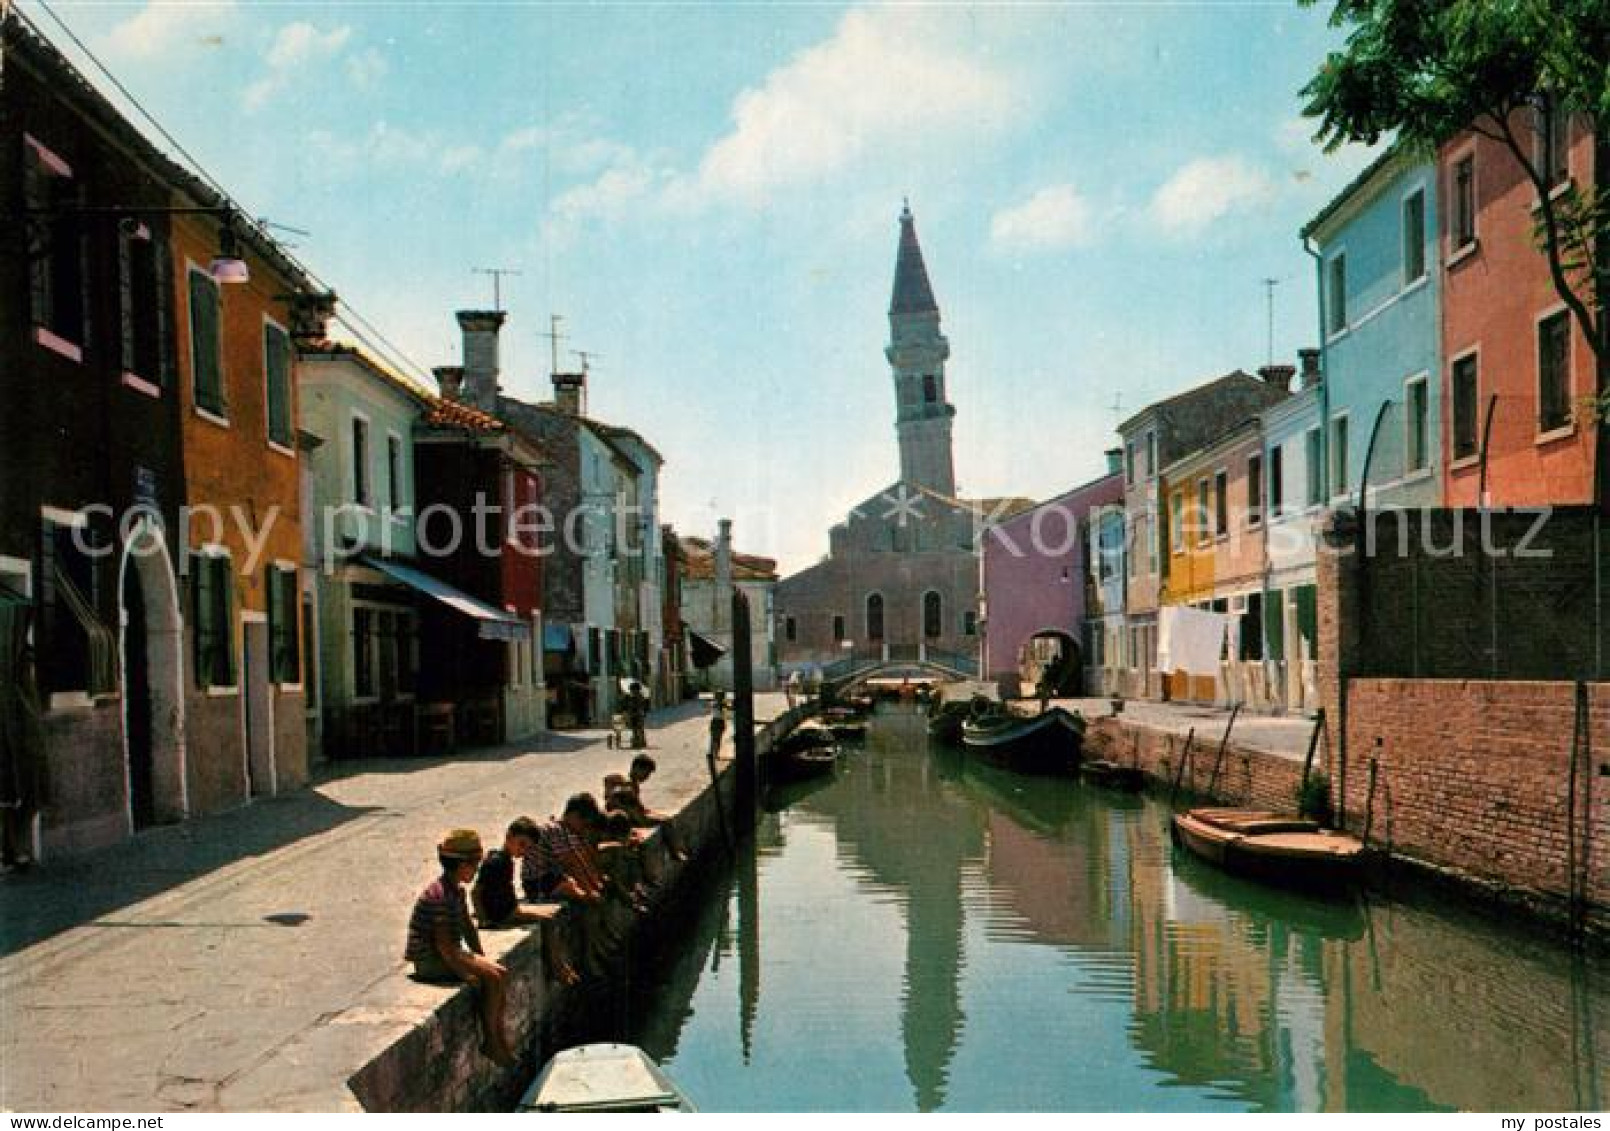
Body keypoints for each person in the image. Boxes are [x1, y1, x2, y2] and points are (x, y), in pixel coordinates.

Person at [404, 829, 514, 1065]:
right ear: (462, 865)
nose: (475, 871)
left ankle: (498, 1036)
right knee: (492, 979)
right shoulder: (440, 895)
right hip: (431, 959)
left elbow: (467, 928)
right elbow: (444, 946)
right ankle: (491, 1041)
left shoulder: (456, 891)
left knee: (499, 973)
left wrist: (482, 957)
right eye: (474, 866)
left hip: (449, 953)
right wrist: (465, 973)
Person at [473, 816, 577, 985]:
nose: (523, 851)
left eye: (527, 848)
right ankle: (558, 966)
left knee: (552, 912)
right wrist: (483, 919)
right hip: (503, 913)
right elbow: (476, 892)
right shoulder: (496, 862)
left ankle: (560, 965)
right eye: (521, 844)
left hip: (509, 908)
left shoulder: (504, 860)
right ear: (509, 836)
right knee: (549, 920)